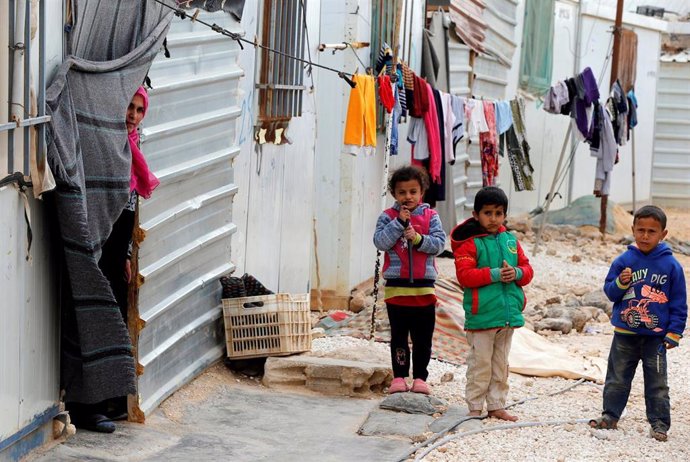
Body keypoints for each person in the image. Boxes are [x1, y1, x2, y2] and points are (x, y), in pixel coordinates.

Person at [70, 86, 159, 432]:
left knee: (116, 317)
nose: (132, 115)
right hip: (97, 239)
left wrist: (125, 253)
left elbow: (131, 205)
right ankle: (86, 405)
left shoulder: (135, 147)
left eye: (139, 110)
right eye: (129, 107)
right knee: (93, 319)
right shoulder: (107, 146)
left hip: (116, 245)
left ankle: (109, 401)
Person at [589, 205, 687, 442]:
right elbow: (610, 293)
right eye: (640, 230)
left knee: (657, 383)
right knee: (617, 378)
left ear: (663, 234)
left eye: (651, 231)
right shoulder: (624, 261)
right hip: (624, 334)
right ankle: (610, 416)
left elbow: (678, 302)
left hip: (656, 338)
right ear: (632, 230)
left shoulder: (671, 266)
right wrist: (621, 284)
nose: (645, 236)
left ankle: (660, 424)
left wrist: (675, 332)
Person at [450, 186, 533, 421]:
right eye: (488, 213)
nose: (494, 218)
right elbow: (465, 276)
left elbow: (528, 271)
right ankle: (475, 407)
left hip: (507, 316)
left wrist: (516, 272)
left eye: (499, 213)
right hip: (482, 316)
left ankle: (496, 405)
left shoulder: (510, 241)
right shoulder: (469, 244)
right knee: (480, 364)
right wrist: (496, 274)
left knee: (500, 365)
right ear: (476, 215)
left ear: (505, 214)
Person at [373, 165, 446, 395]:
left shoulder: (431, 216)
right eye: (402, 192)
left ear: (421, 192)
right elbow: (380, 243)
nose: (408, 197)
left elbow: (439, 245)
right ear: (394, 194)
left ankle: (421, 378)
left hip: (424, 290)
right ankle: (399, 377)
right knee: (398, 337)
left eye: (413, 192)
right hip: (397, 291)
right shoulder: (387, 217)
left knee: (422, 338)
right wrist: (398, 224)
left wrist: (417, 238)